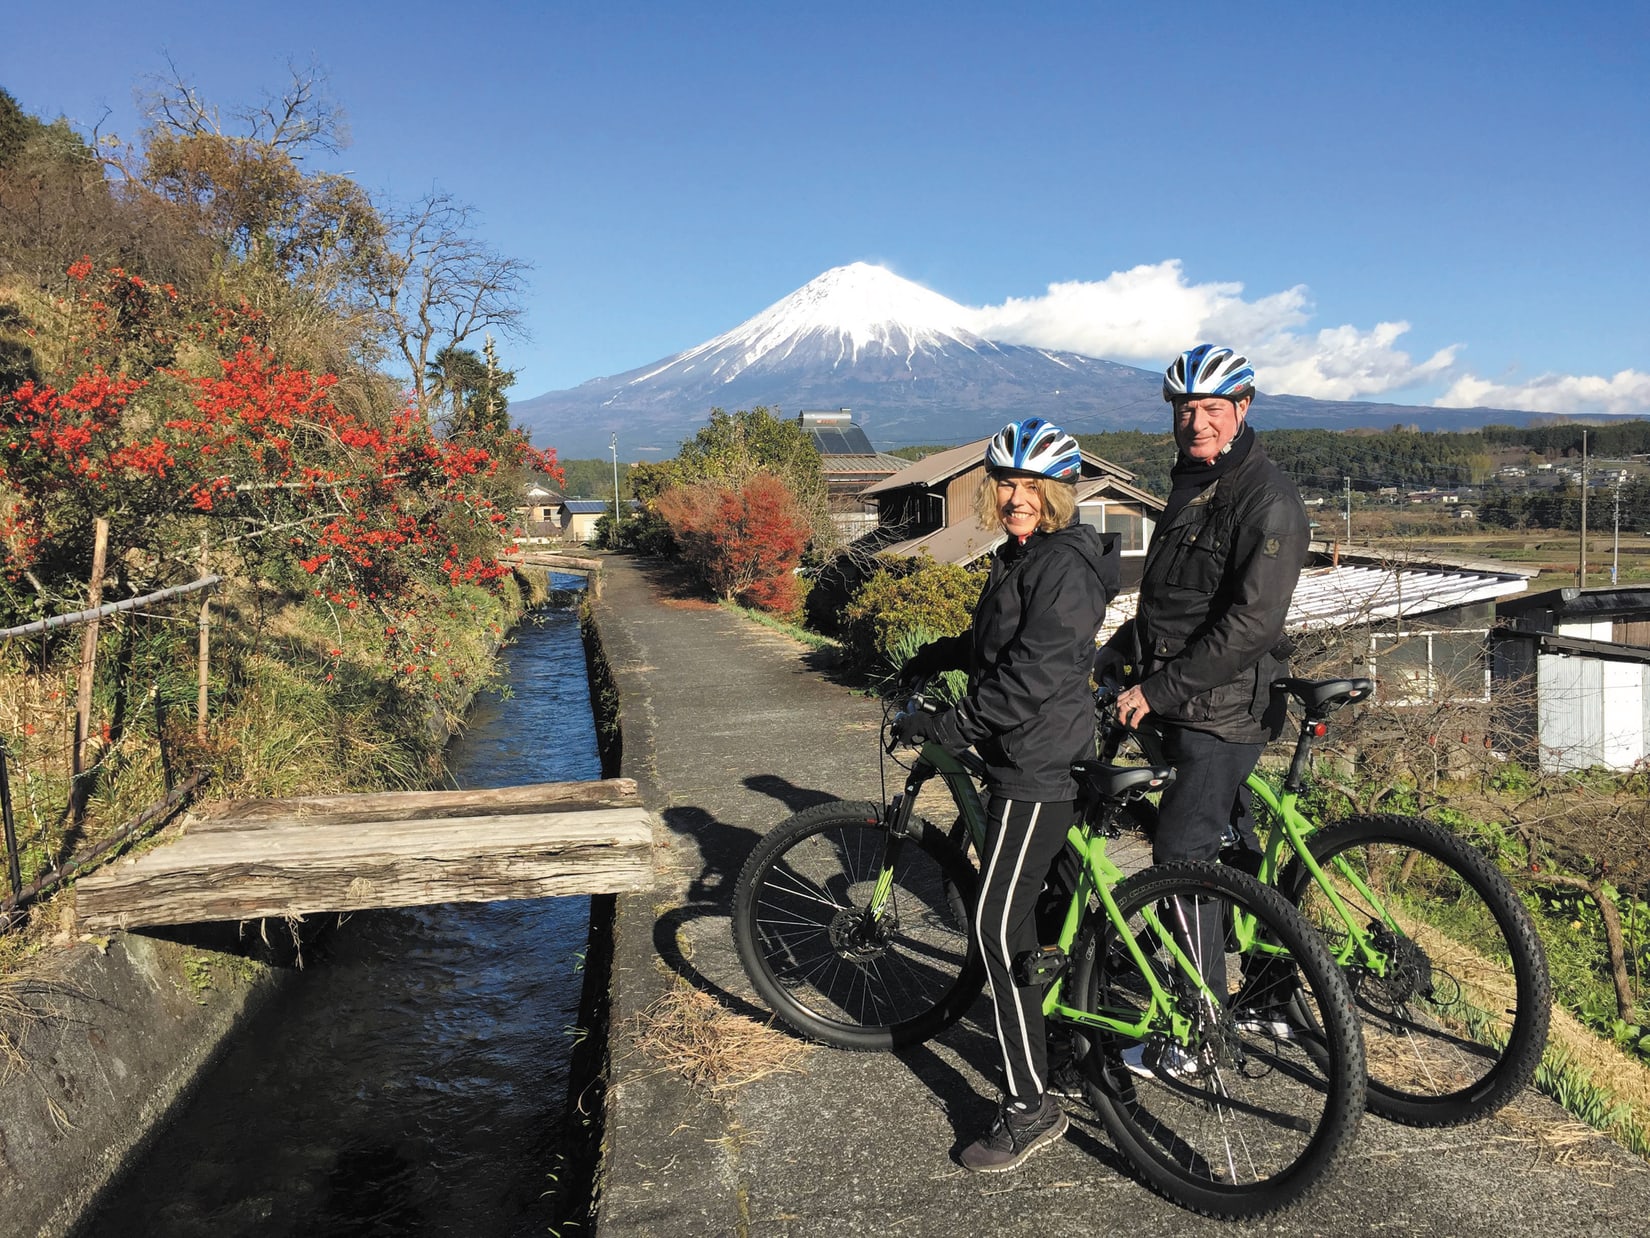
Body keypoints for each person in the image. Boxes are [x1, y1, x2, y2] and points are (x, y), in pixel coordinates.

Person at [893, 416, 1118, 1173]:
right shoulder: (1024, 556)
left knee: (993, 925)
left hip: (1038, 766)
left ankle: (1030, 1108)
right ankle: (1051, 1040)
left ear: (1060, 492)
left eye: (1032, 485)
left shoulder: (1065, 567)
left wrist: (954, 725)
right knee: (1023, 917)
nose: (1017, 497)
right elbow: (1002, 645)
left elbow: (1037, 674)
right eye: (1007, 483)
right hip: (1021, 754)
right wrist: (939, 653)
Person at [1100, 344, 1310, 1070]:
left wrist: (1156, 689)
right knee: (1238, 853)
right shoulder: (1193, 483)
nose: (1197, 420)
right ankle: (1277, 993)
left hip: (1218, 710)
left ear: (1243, 409)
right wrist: (1115, 652)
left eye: (1213, 408)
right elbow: (1173, 602)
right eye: (1186, 408)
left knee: (1184, 856)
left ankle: (1198, 1025)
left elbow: (1252, 624)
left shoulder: (1265, 496)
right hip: (1188, 701)